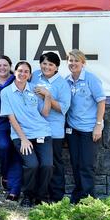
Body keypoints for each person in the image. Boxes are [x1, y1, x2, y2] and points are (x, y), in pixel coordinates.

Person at [0, 61, 52, 207]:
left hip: (42, 133)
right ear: (14, 72)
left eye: (26, 72)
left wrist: (47, 96)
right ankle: (28, 196)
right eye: (20, 71)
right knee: (32, 165)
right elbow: (11, 118)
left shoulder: (35, 90)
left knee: (47, 165)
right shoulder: (6, 93)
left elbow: (45, 113)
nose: (23, 74)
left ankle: (41, 197)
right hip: (21, 136)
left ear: (29, 75)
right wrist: (23, 139)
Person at [65, 49, 106, 204]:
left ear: (83, 63)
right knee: (75, 164)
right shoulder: (66, 80)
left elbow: (101, 102)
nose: (73, 63)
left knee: (87, 165)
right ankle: (78, 196)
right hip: (72, 129)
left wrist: (98, 125)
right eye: (70, 60)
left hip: (89, 129)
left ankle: (89, 199)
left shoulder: (91, 79)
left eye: (76, 61)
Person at [31, 52, 71, 202]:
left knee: (54, 164)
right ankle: (38, 196)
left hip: (53, 131)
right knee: (38, 164)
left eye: (51, 64)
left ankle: (56, 197)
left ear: (56, 67)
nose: (47, 67)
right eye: (44, 63)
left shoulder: (62, 84)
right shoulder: (34, 76)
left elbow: (63, 108)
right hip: (34, 129)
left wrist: (48, 96)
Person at [0, 55, 22, 201]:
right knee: (4, 146)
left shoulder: (15, 80)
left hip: (15, 122)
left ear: (10, 66)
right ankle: (5, 173)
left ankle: (14, 187)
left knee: (17, 151)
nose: (2, 68)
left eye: (5, 65)